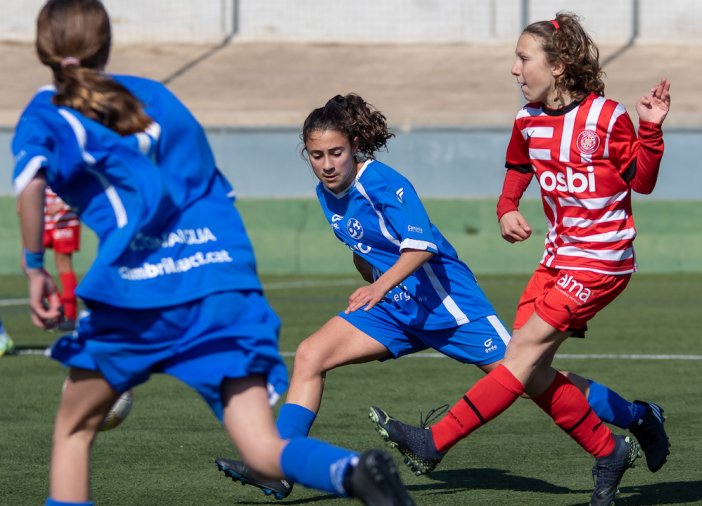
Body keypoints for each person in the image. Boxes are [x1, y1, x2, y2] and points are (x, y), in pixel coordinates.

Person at [13, 2, 414, 505]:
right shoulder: (159, 98)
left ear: (42, 48)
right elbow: (208, 190)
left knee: (72, 430)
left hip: (140, 289)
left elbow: (31, 189)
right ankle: (352, 469)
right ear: (107, 43)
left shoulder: (45, 110)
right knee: (263, 444)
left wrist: (34, 268)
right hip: (220, 281)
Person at [214, 92, 669, 503]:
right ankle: (275, 466)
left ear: (354, 146)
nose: (328, 164)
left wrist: (378, 284)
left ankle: (633, 419)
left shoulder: (384, 183)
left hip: (449, 307)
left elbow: (420, 245)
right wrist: (375, 280)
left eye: (336, 152)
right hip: (395, 310)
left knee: (533, 379)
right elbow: (366, 250)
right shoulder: (326, 192)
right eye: (317, 156)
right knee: (311, 354)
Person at [369, 12, 671, 506]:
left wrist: (651, 130)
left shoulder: (606, 117)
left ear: (558, 66)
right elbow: (517, 166)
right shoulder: (527, 120)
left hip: (601, 261)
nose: (514, 69)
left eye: (523, 57)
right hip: (557, 258)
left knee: (522, 352)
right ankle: (622, 436)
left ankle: (435, 442)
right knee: (527, 372)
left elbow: (642, 180)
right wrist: (506, 207)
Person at [43, 186, 81, 331]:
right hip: (42, 217)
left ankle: (69, 314)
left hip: (65, 218)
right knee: (30, 262)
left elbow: (82, 181)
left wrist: (64, 204)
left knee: (63, 263)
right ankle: (57, 305)